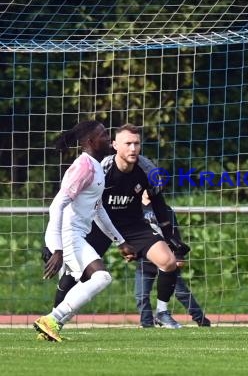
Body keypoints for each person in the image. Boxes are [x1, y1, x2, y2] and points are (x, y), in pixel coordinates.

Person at [41, 123, 182, 333]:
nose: (133, 148)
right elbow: (62, 205)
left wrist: (169, 236)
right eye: (128, 144)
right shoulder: (96, 167)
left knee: (168, 261)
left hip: (131, 224)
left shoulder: (144, 170)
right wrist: (54, 244)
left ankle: (162, 313)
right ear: (115, 145)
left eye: (137, 144)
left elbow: (157, 203)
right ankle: (53, 318)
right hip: (93, 228)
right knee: (77, 275)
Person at [34, 120, 136, 342]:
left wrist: (120, 241)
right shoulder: (84, 167)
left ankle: (51, 325)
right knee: (101, 277)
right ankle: (53, 319)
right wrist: (56, 248)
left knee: (79, 278)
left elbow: (99, 211)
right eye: (104, 135)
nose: (108, 138)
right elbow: (57, 205)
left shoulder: (96, 167)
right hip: (68, 234)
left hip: (77, 235)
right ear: (91, 141)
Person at [137, 190, 211, 327]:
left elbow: (173, 232)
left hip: (166, 258)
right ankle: (147, 324)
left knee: (182, 292)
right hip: (146, 259)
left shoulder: (163, 208)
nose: (148, 190)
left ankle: (201, 320)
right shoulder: (134, 208)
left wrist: (178, 255)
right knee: (141, 295)